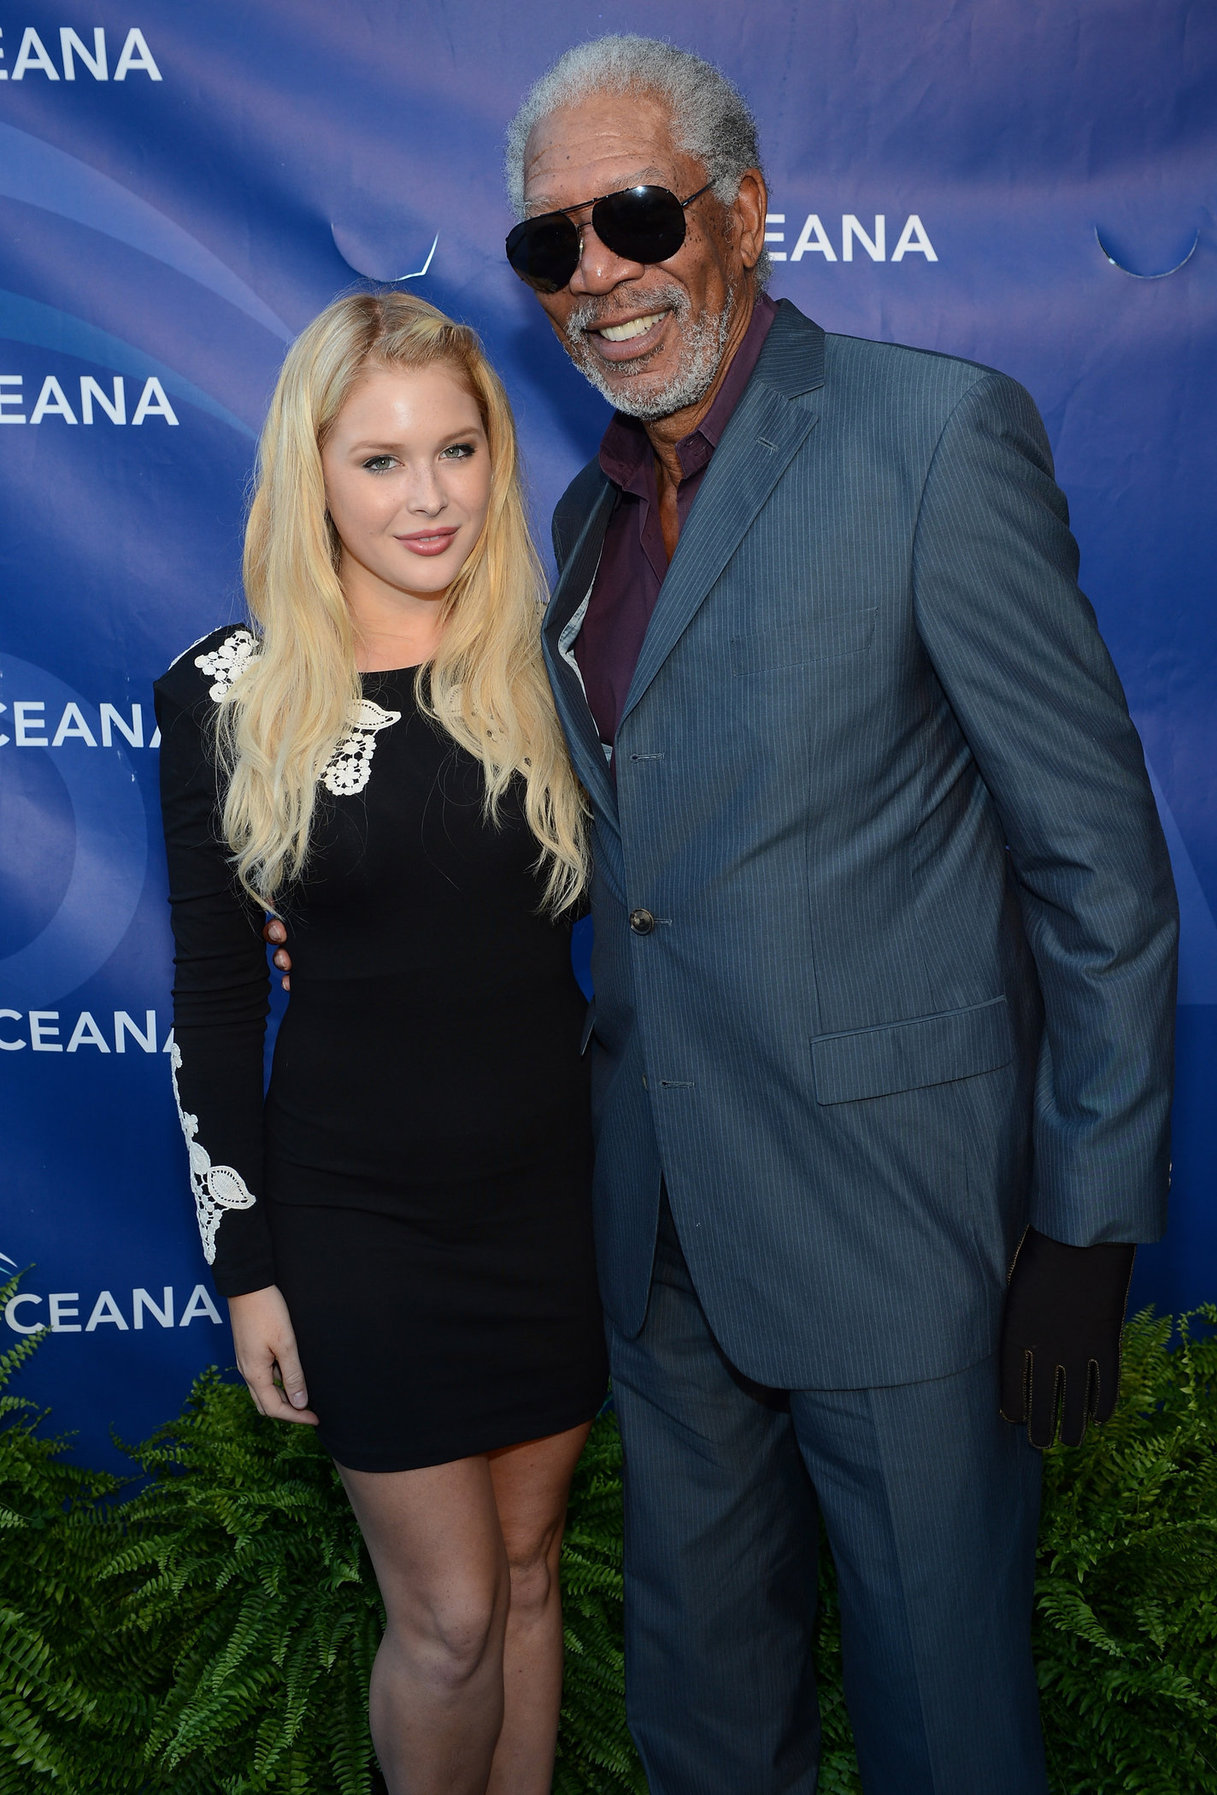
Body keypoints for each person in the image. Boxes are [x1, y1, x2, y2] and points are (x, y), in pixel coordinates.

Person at [502, 34, 1177, 1795]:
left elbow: (1096, 866)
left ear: (740, 213)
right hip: (661, 1245)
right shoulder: (583, 518)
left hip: (903, 1244)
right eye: (549, 243)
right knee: (705, 1730)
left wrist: (1085, 1226)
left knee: (946, 1732)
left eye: (633, 216)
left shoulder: (930, 437)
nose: (597, 275)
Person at [155, 290, 607, 1795]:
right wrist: (249, 1264)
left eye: (458, 449)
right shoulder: (226, 694)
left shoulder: (561, 670)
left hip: (553, 1201)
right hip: (363, 1220)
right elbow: (216, 1001)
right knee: (453, 1613)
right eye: (381, 460)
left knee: (531, 1570)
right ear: (313, 474)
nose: (428, 497)